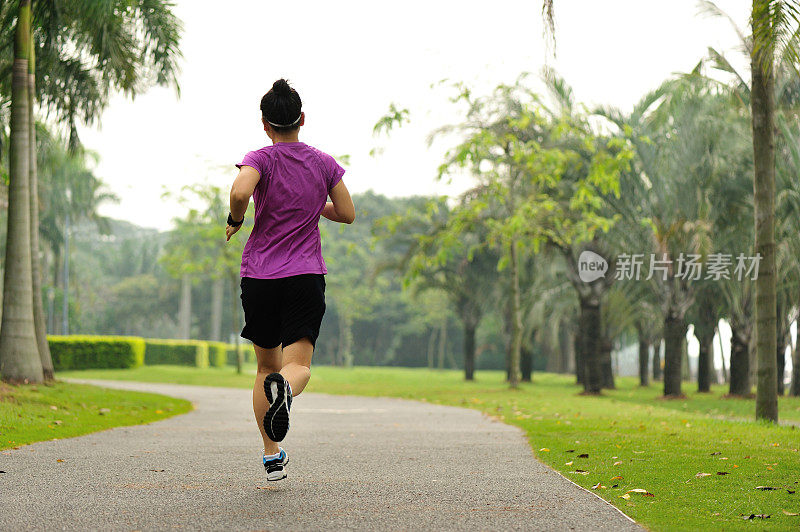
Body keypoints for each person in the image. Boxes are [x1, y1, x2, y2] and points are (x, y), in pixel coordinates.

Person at [226, 78, 355, 481]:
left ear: (265, 124)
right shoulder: (322, 162)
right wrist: (317, 206)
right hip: (304, 275)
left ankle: (270, 454)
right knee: (297, 366)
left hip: (260, 276)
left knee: (265, 369)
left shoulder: (260, 158)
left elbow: (239, 191)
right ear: (302, 119)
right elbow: (348, 212)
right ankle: (288, 389)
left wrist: (236, 218)